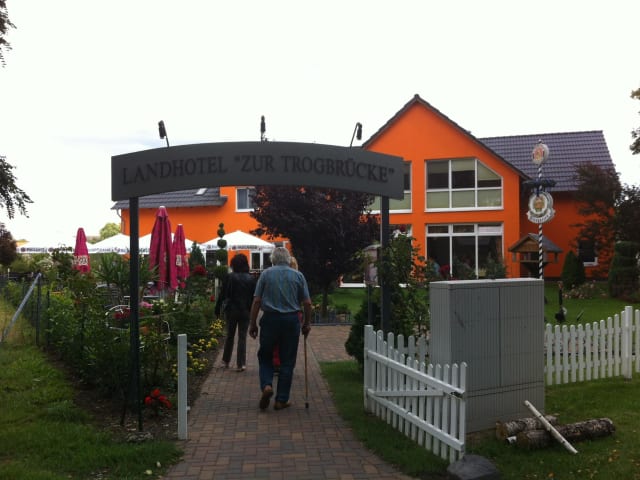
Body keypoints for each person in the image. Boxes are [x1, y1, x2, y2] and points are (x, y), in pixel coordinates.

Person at [249, 247, 312, 411]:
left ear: (273, 259)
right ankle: (281, 399)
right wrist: (306, 323)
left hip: (270, 320)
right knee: (287, 360)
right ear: (288, 259)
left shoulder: (265, 274)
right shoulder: (298, 276)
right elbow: (307, 303)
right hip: (291, 321)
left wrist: (252, 323)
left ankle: (267, 385)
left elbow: (257, 301)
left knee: (265, 355)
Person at [215, 253, 256, 372]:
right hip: (245, 311)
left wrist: (217, 308)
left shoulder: (230, 277)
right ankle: (241, 364)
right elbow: (254, 297)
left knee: (230, 336)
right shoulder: (251, 279)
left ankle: (225, 361)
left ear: (234, 264)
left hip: (231, 310)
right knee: (242, 337)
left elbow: (223, 294)